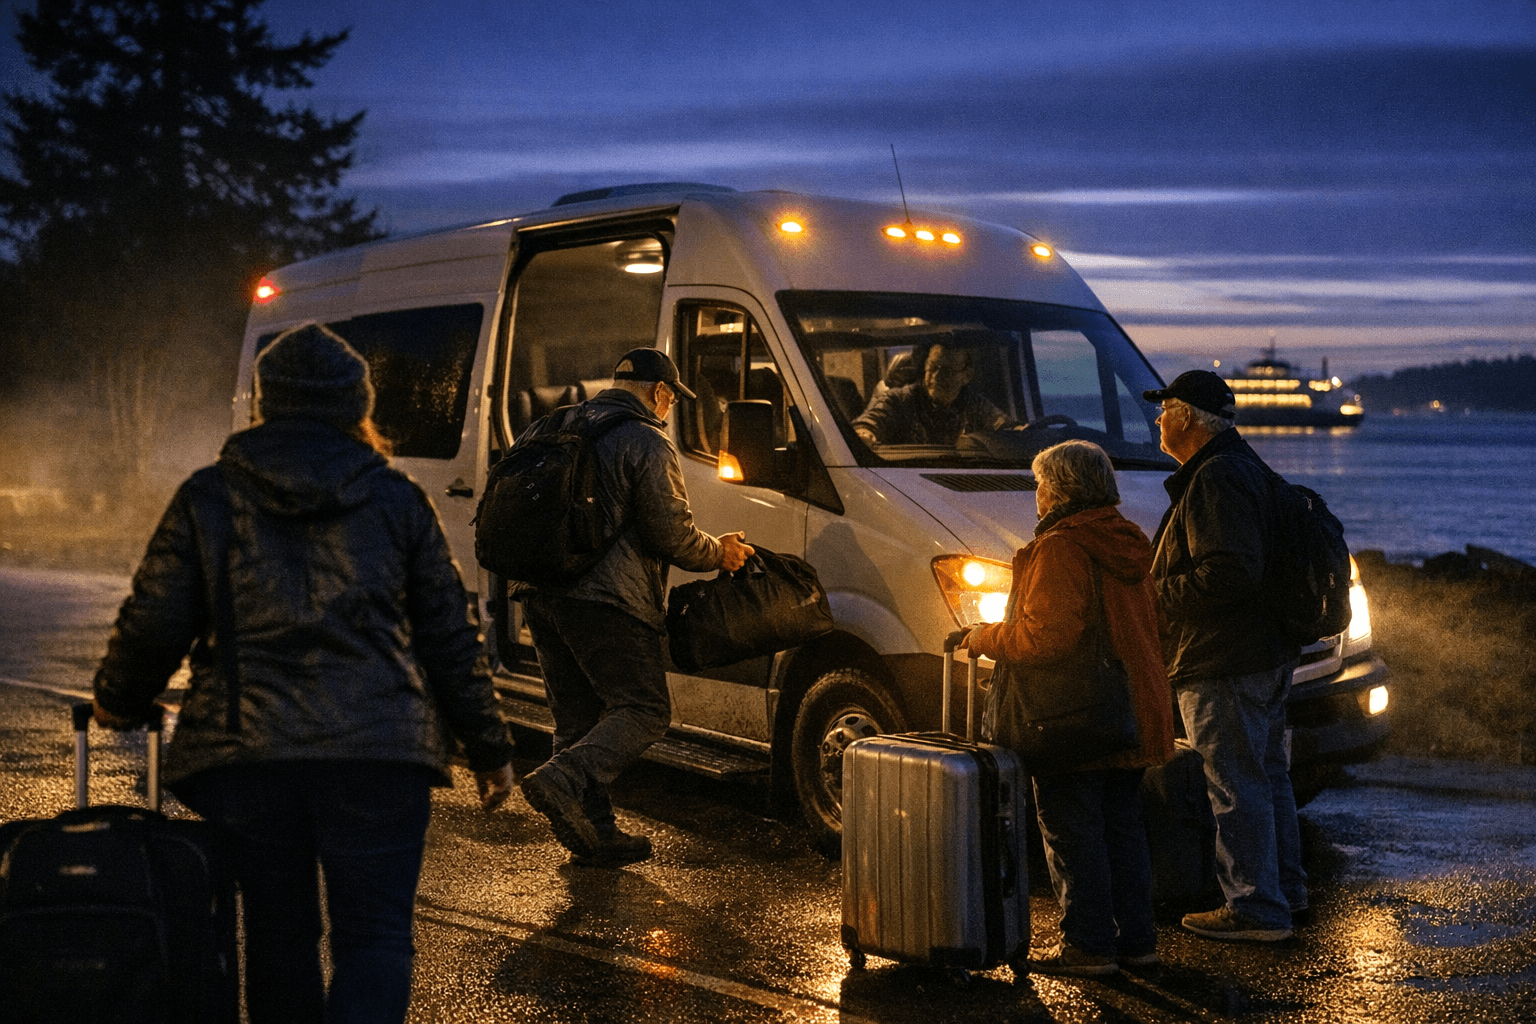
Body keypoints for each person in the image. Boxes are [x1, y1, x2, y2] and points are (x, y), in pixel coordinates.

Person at [92, 323, 517, 1024]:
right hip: (380, 751)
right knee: (376, 933)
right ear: (359, 408)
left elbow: (156, 617)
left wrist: (117, 698)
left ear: (264, 405)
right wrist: (490, 748)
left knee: (277, 932)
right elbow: (448, 633)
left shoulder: (209, 496)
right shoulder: (396, 498)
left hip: (250, 754)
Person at [515, 347, 754, 866]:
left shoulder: (550, 425)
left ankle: (597, 832)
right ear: (661, 393)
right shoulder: (646, 438)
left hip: (539, 593)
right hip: (607, 601)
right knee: (644, 709)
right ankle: (561, 779)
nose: (669, 408)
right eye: (670, 399)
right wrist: (723, 552)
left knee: (578, 721)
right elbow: (672, 535)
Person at [962, 439, 1177, 976]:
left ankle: (1089, 946)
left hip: (1073, 719)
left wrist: (985, 636)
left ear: (1058, 489)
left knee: (1074, 833)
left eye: (1039, 484)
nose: (1036, 495)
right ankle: (1137, 943)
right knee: (1122, 831)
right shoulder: (1127, 542)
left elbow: (1047, 638)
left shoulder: (1061, 547)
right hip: (1130, 711)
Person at [1142, 369, 1306, 942]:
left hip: (1223, 659)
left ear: (1186, 416)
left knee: (1233, 783)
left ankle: (1256, 908)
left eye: (1164, 410)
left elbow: (1230, 573)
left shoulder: (1215, 479)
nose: (1158, 421)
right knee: (1266, 776)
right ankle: (1285, 890)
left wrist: (1152, 595)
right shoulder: (1245, 466)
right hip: (1265, 653)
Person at [852, 343, 1012, 445]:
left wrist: (1021, 432)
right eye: (932, 367)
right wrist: (864, 433)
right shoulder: (898, 400)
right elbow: (869, 423)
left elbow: (1006, 429)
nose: (935, 376)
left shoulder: (976, 405)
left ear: (966, 376)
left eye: (947, 371)